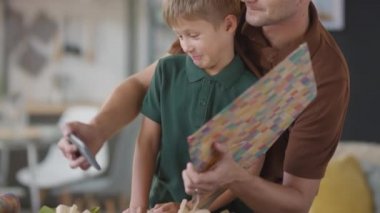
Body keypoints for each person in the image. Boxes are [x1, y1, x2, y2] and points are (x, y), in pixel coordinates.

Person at [58, 0, 350, 212]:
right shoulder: (233, 10)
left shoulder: (322, 75)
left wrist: (232, 180)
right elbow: (146, 83)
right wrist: (97, 129)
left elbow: (297, 200)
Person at [128, 0, 259, 211]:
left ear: (228, 25)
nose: (185, 46)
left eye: (193, 35)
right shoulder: (166, 71)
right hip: (159, 206)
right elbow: (147, 142)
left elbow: (248, 174)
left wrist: (189, 209)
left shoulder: (253, 92)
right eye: (180, 35)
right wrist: (137, 205)